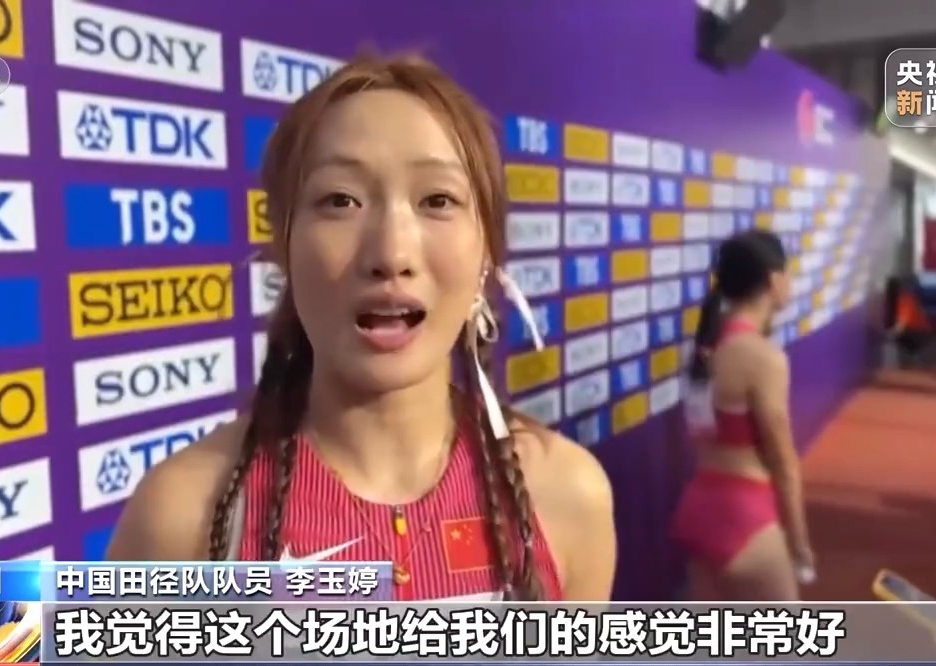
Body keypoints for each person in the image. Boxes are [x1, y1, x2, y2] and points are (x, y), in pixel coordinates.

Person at [105, 52, 617, 601]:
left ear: (487, 252)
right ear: (283, 246)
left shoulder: (568, 495)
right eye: (340, 200)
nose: (391, 253)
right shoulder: (180, 514)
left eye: (437, 200)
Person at [672, 230, 811, 600]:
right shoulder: (763, 358)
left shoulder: (704, 348)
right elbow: (784, 464)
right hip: (744, 515)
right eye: (789, 273)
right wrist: (799, 545)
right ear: (774, 280)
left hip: (697, 509)